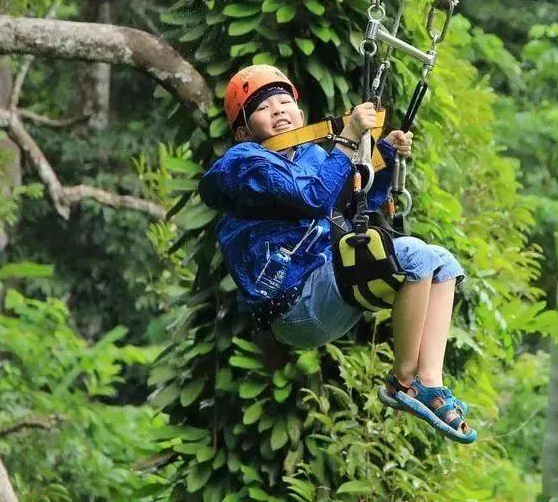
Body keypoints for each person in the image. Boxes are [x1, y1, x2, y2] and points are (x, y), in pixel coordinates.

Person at [199, 65, 476, 443]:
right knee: (413, 255)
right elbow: (311, 197)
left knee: (443, 262)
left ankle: (429, 381)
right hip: (294, 304)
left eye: (285, 102)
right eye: (264, 107)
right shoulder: (245, 162)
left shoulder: (312, 157)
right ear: (245, 131)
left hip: (324, 287)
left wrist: (387, 155)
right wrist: (347, 138)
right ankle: (402, 381)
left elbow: (350, 203)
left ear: (300, 114)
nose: (279, 109)